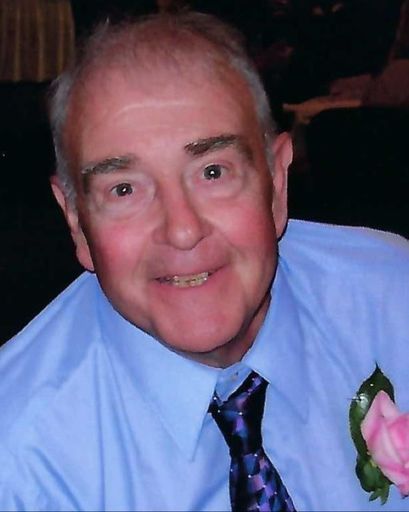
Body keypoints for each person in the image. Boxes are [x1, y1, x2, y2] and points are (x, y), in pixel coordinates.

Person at [0, 11, 408, 512]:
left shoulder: (395, 305)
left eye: (213, 172)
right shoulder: (20, 461)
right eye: (124, 189)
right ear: (76, 221)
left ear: (277, 183)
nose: (182, 229)